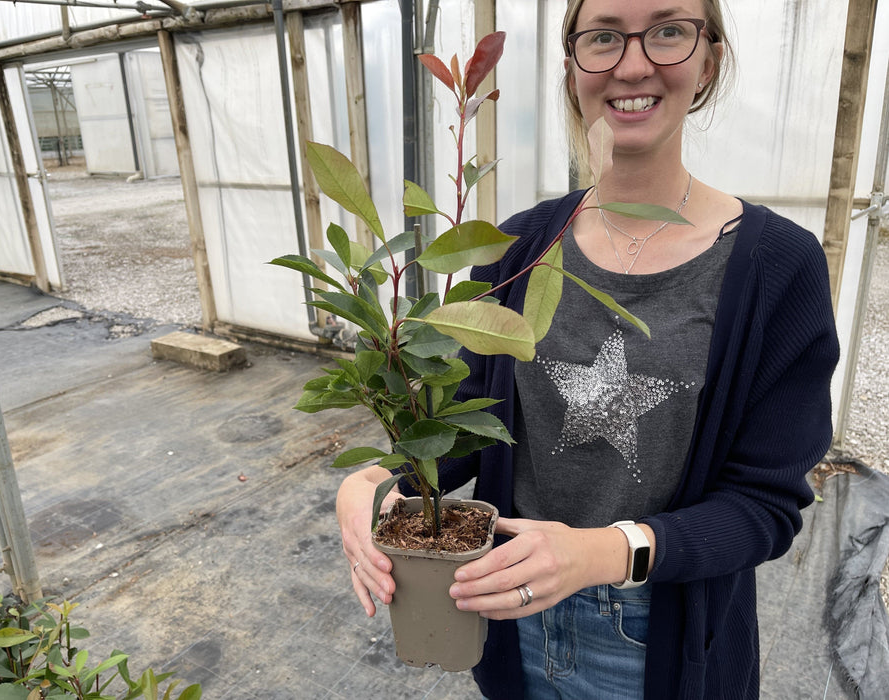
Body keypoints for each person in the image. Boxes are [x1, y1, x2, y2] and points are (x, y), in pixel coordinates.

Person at [336, 0, 840, 698]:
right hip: (506, 617)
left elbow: (764, 506)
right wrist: (372, 481)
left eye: (668, 31)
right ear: (572, 66)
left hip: (660, 635)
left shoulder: (775, 266)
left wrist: (601, 553)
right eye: (602, 37)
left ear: (709, 60)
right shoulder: (514, 250)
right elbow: (461, 431)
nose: (632, 63)